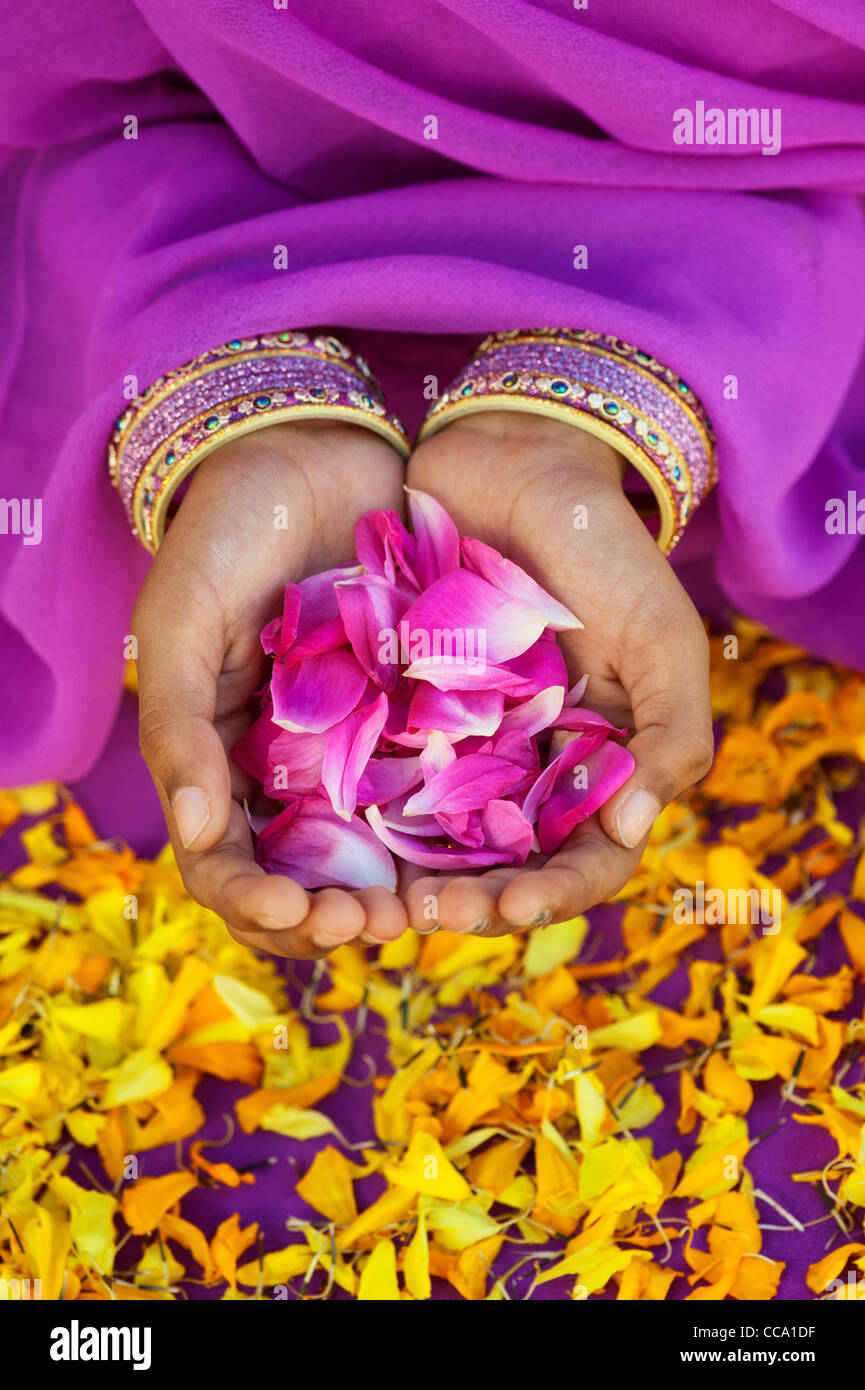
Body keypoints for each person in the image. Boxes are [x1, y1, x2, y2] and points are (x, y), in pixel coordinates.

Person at [2, 1, 864, 964]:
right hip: (211, 212)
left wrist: (577, 415)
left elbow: (812, 130)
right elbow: (92, 96)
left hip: (743, 234)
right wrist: (251, 410)